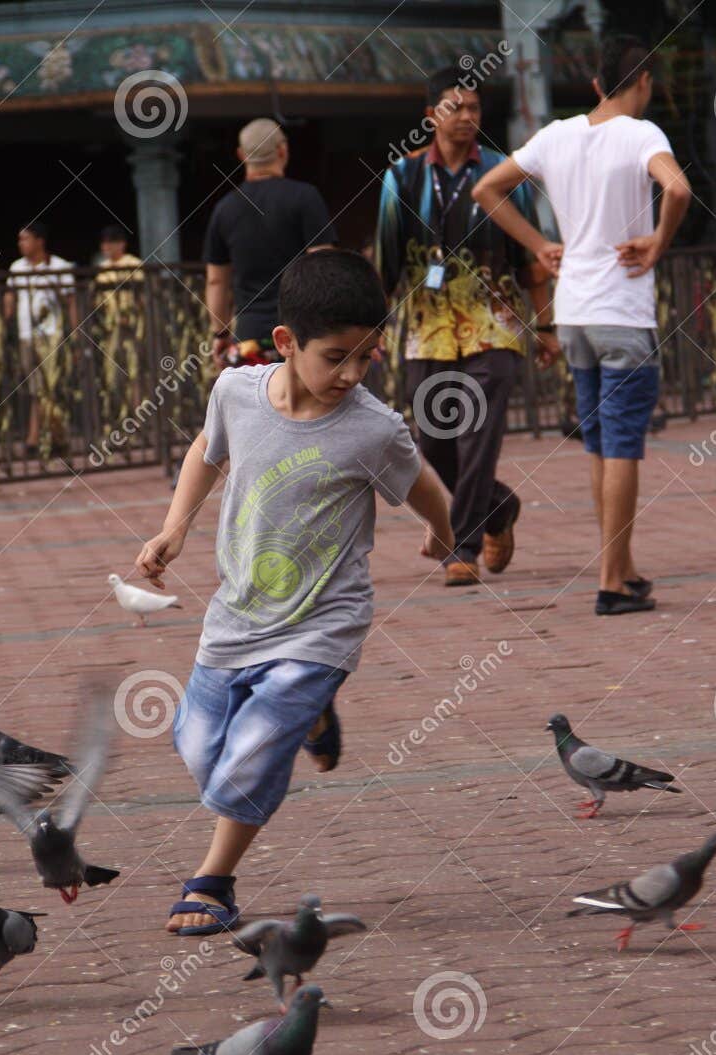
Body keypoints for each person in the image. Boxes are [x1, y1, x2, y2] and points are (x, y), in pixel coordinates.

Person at [135, 249, 454, 935]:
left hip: (323, 625)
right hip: (238, 615)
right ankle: (311, 719)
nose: (351, 374)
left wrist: (445, 530)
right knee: (197, 747)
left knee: (252, 753)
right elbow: (206, 450)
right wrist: (174, 527)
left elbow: (422, 483)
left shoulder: (373, 427)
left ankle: (213, 881)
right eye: (335, 356)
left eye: (365, 358)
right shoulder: (236, 393)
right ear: (286, 342)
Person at [474, 34, 692, 615]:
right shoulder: (642, 134)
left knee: (599, 443)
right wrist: (657, 243)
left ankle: (620, 568)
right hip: (621, 312)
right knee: (622, 444)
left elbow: (486, 188)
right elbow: (678, 187)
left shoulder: (557, 134)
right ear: (643, 80)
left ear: (596, 84)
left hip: (572, 314)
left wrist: (541, 245)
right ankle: (610, 581)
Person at [378, 66, 556, 588]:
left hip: (494, 325)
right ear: (431, 115)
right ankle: (499, 509)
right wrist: (372, 327)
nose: (466, 117)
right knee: (432, 444)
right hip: (426, 327)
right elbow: (387, 263)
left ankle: (465, 547)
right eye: (455, 107)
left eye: (475, 108)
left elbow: (532, 257)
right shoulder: (402, 177)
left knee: (478, 436)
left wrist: (545, 325)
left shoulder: (504, 174)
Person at [203, 118, 336, 366]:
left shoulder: (224, 210)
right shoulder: (305, 197)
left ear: (242, 155)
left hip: (250, 339)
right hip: (301, 336)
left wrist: (220, 333)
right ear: (283, 150)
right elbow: (324, 268)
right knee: (304, 405)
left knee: (255, 403)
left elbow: (216, 280)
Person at [3, 221, 76, 458]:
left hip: (52, 336)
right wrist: (2, 326)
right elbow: (9, 298)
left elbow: (71, 303)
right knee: (38, 389)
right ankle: (53, 438)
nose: (21, 244)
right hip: (27, 336)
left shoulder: (59, 266)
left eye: (25, 239)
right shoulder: (17, 268)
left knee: (49, 388)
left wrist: (75, 334)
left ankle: (35, 439)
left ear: (39, 241)